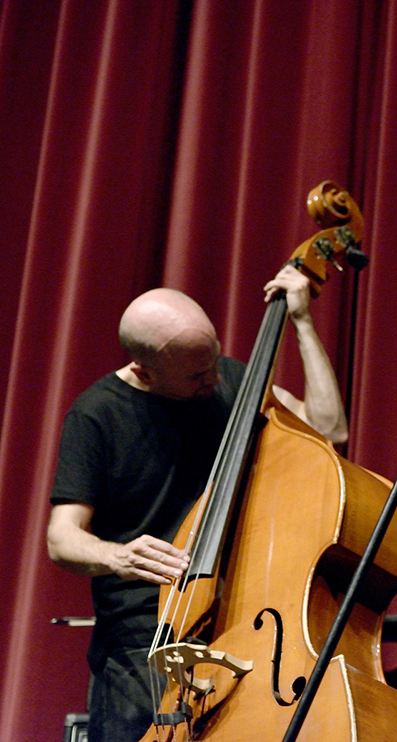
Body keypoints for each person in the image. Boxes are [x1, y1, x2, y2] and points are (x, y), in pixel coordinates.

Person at [46, 265, 349, 742]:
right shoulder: (96, 414)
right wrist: (119, 557)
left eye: (213, 361)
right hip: (145, 637)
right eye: (196, 374)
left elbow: (330, 429)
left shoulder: (230, 380)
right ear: (144, 371)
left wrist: (303, 324)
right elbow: (62, 538)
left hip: (238, 623)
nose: (214, 379)